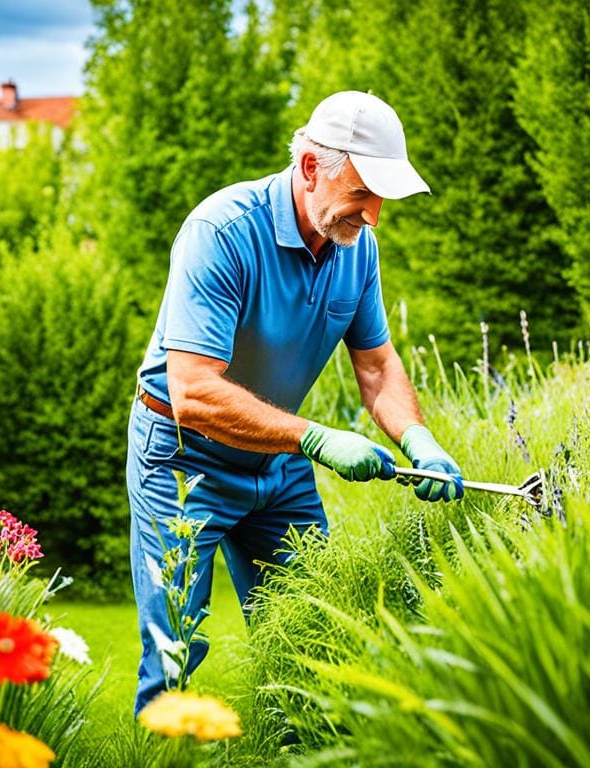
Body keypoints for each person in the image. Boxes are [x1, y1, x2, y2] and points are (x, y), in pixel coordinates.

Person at [126, 90, 464, 715]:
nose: (374, 216)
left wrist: (419, 441)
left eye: (381, 199)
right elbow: (192, 391)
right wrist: (316, 438)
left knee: (314, 638)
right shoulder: (222, 231)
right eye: (363, 194)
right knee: (172, 650)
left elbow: (378, 365)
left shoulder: (357, 246)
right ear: (311, 167)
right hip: (182, 461)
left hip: (276, 466)